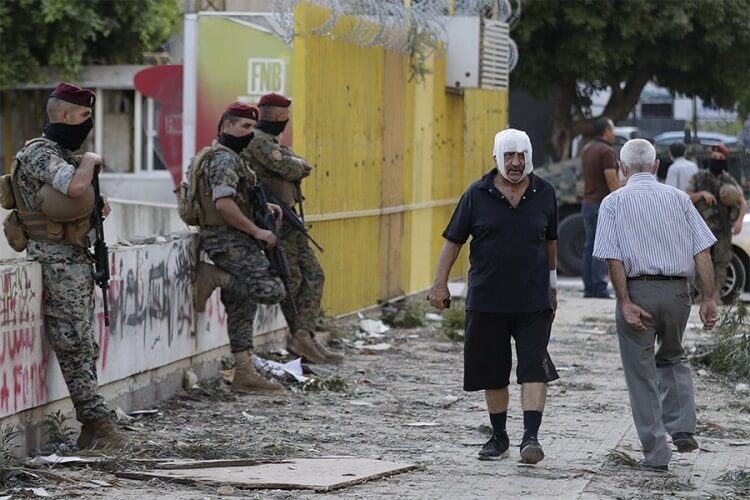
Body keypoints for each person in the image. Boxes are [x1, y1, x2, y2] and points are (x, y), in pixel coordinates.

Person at [427, 129, 559, 464]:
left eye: (521, 156)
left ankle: (531, 437)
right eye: (509, 156)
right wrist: (439, 284)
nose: (515, 163)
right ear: (496, 158)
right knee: (492, 371)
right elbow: (453, 242)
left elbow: (551, 243)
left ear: (529, 156)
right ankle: (499, 436)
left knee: (534, 367)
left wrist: (553, 286)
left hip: (533, 300)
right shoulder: (476, 194)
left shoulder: (546, 193)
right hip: (487, 300)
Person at [8, 83, 127, 448]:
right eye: (85, 115)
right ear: (64, 115)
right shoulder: (39, 154)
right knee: (74, 341)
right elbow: (73, 188)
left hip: (74, 256)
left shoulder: (60, 152)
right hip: (54, 258)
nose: (87, 123)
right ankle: (98, 423)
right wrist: (89, 162)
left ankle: (93, 427)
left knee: (83, 342)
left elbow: (76, 197)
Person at [593, 139, 719, 471]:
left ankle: (657, 452)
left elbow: (613, 256)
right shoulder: (679, 199)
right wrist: (708, 298)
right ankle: (682, 429)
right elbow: (702, 251)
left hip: (638, 292)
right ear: (656, 166)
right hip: (679, 294)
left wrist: (624, 301)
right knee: (674, 355)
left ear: (621, 168)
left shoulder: (613, 202)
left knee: (641, 372)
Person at [192, 101, 289, 394]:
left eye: (253, 127)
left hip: (234, 237)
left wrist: (264, 208)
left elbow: (236, 199)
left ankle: (244, 372)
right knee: (273, 289)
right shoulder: (223, 159)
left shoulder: (233, 157)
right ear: (226, 126)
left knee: (241, 303)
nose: (249, 133)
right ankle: (213, 277)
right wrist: (257, 230)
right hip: (225, 239)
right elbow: (223, 204)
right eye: (245, 126)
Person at [242, 93, 343, 365]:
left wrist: (299, 166)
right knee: (293, 278)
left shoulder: (270, 142)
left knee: (313, 274)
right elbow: (292, 166)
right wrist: (300, 166)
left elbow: (295, 165)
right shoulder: (260, 143)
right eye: (285, 115)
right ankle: (300, 339)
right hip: (275, 222)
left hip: (288, 222)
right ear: (278, 116)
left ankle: (304, 335)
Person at [687, 143, 746, 300]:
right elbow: (686, 196)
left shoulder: (728, 180)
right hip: (701, 226)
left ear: (724, 161)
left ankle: (717, 294)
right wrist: (701, 194)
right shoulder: (699, 177)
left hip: (723, 228)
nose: (716, 160)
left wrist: (739, 221)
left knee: (722, 261)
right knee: (701, 261)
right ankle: (701, 295)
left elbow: (742, 201)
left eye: (720, 158)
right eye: (714, 158)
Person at [581, 117, 619, 298]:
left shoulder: (587, 149)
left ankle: (588, 287)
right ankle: (599, 288)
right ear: (606, 131)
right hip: (600, 204)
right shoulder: (606, 151)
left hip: (587, 203)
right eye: (613, 130)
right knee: (600, 247)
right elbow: (611, 180)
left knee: (589, 246)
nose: (614, 133)